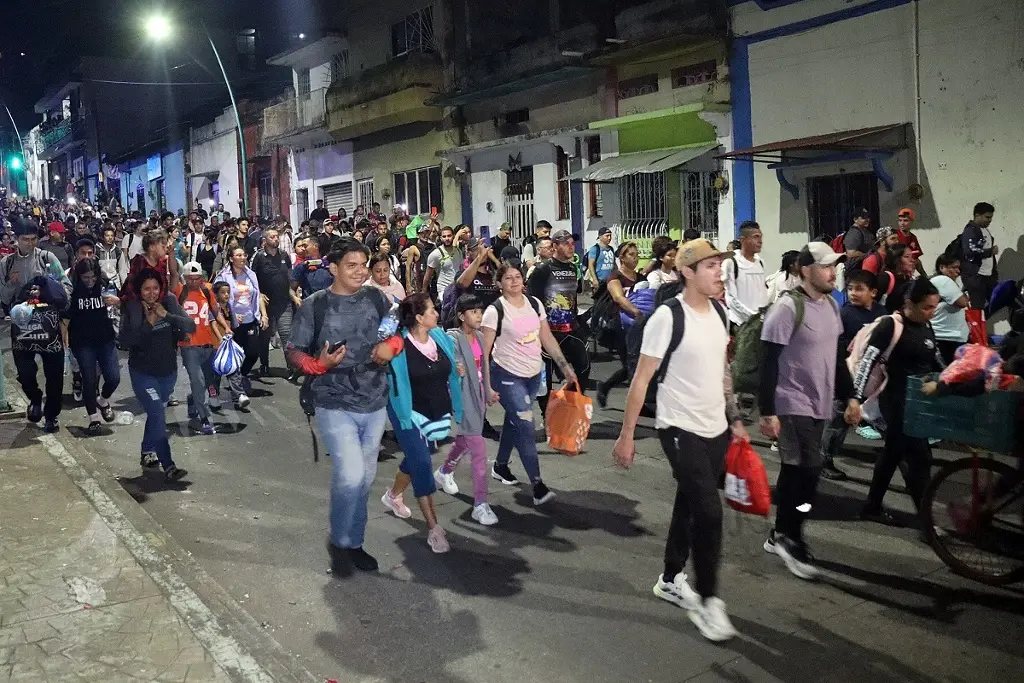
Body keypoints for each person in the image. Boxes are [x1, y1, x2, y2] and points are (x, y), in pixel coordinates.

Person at [611, 238, 746, 642]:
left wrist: (735, 419)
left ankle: (670, 578)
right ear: (688, 271)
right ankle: (708, 601)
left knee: (690, 503)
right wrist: (627, 434)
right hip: (678, 427)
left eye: (720, 265)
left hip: (715, 428)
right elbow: (641, 380)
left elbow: (723, 371)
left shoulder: (721, 313)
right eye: (711, 266)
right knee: (709, 511)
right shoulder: (668, 317)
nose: (719, 272)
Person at [286, 239, 403, 575]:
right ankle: (339, 542)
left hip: (375, 399)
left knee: (364, 479)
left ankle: (355, 542)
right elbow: (293, 351)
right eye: (352, 265)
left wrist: (390, 347)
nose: (361, 271)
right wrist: (318, 364)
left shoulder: (376, 298)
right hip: (332, 400)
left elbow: (397, 331)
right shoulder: (315, 305)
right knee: (351, 476)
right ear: (333, 268)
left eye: (363, 264)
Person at [759, 242, 853, 581]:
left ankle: (779, 532)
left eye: (834, 267)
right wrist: (767, 412)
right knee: (810, 471)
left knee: (795, 471)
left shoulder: (830, 305)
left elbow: (838, 356)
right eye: (826, 266)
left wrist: (851, 396)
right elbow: (768, 362)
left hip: (820, 403)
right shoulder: (786, 308)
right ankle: (790, 536)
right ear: (805, 270)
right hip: (791, 402)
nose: (833, 272)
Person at [852, 278, 944, 525]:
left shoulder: (926, 326)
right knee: (920, 457)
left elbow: (935, 360)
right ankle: (927, 523)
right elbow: (867, 363)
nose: (931, 313)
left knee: (893, 453)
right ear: (908, 304)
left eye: (934, 307)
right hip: (896, 401)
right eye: (926, 307)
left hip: (919, 403)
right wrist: (855, 400)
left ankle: (871, 506)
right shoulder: (889, 326)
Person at [484, 263, 576, 505]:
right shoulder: (495, 311)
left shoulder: (535, 304)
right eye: (508, 278)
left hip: (533, 374)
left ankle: (501, 466)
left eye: (517, 276)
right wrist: (485, 385)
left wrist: (564, 366)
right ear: (499, 283)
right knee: (525, 424)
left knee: (514, 420)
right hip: (506, 375)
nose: (514, 281)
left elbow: (546, 336)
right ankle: (537, 485)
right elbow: (483, 352)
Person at [379, 293, 460, 553]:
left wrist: (458, 370)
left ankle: (393, 496)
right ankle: (434, 529)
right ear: (419, 317)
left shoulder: (439, 337)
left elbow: (451, 363)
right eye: (432, 310)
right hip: (405, 410)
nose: (437, 313)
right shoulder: (398, 343)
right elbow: (378, 356)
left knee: (418, 457)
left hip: (433, 409)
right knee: (423, 463)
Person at [119, 268, 194, 481]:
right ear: (139, 291)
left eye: (155, 288)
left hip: (168, 373)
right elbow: (126, 341)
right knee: (158, 414)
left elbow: (191, 325)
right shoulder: (133, 308)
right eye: (146, 289)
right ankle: (169, 465)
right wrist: (148, 323)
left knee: (155, 415)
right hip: (143, 374)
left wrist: (166, 315)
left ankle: (146, 452)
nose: (152, 293)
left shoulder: (168, 302)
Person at [434, 294, 497, 525]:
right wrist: (453, 368)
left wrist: (488, 389)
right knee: (478, 449)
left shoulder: (480, 337)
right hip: (463, 397)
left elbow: (485, 366)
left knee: (465, 439)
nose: (479, 316)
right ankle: (480, 504)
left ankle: (444, 471)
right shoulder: (452, 338)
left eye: (480, 311)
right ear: (461, 316)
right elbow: (440, 359)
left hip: (478, 394)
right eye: (473, 312)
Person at [819, 270, 886, 481]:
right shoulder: (845, 314)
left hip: (873, 377)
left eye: (859, 289)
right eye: (850, 289)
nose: (853, 293)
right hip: (847, 375)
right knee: (838, 419)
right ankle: (824, 460)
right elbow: (836, 347)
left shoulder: (882, 314)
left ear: (873, 292)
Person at [527, 229, 589, 412]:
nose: (571, 247)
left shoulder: (572, 268)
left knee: (583, 368)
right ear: (554, 246)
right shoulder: (542, 269)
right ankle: (547, 414)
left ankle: (568, 408)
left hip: (571, 329)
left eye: (572, 243)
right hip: (549, 331)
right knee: (545, 378)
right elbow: (533, 302)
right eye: (566, 244)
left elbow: (573, 297)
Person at [65, 258, 120, 435]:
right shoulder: (72, 291)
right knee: (89, 379)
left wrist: (117, 301)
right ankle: (93, 418)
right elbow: (65, 318)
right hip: (82, 342)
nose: (89, 281)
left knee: (113, 378)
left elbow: (120, 304)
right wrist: (65, 340)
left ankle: (103, 401)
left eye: (92, 277)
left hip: (105, 339)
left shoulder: (105, 285)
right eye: (85, 277)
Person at [9, 274, 69, 432]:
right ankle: (35, 399)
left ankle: (51, 416)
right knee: (25, 373)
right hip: (23, 338)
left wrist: (64, 322)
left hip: (51, 340)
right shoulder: (9, 262)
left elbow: (66, 294)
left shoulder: (49, 259)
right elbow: (5, 295)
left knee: (55, 380)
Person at [597, 241, 644, 407]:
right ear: (622, 258)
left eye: (637, 254)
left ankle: (606, 387)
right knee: (630, 365)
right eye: (631, 255)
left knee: (635, 366)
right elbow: (618, 298)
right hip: (621, 325)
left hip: (638, 326)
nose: (636, 258)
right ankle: (609, 388)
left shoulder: (641, 278)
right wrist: (636, 311)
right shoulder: (615, 277)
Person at [176, 262, 218, 435]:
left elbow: (216, 312)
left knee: (207, 380)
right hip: (188, 345)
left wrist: (227, 330)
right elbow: (171, 273)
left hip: (207, 343)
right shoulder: (179, 291)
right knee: (198, 380)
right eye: (190, 279)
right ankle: (204, 418)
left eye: (197, 278)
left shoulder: (207, 291)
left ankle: (193, 399)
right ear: (184, 279)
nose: (194, 282)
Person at [215, 246, 265, 383]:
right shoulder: (223, 276)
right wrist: (230, 314)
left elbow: (258, 295)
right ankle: (236, 386)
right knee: (234, 354)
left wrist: (263, 315)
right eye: (238, 255)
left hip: (250, 319)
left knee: (253, 353)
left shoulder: (251, 275)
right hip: (233, 323)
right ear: (231, 258)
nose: (243, 258)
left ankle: (241, 375)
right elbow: (217, 299)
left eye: (244, 255)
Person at [250, 228, 293, 375]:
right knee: (265, 336)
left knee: (287, 335)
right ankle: (264, 364)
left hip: (284, 302)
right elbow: (252, 279)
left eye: (277, 236)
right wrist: (259, 294)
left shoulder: (285, 256)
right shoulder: (259, 257)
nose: (276, 239)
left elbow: (289, 276)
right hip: (265, 304)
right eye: (272, 237)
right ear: (265, 240)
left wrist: (293, 294)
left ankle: (291, 367)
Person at [1, 217, 63, 310]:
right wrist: (11, 284)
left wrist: (45, 292)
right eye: (25, 239)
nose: (30, 243)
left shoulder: (47, 258)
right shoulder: (6, 263)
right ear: (16, 238)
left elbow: (65, 285)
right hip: (19, 318)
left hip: (46, 317)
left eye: (33, 239)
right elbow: (4, 300)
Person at [722, 221, 767, 331]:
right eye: (756, 237)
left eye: (761, 237)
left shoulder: (760, 263)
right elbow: (731, 298)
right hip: (741, 324)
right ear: (743, 239)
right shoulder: (732, 263)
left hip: (760, 324)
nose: (760, 241)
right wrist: (751, 317)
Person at [930, 254, 969, 364]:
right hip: (947, 338)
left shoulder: (945, 282)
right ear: (942, 267)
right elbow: (963, 302)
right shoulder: (943, 280)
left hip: (950, 337)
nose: (958, 271)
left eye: (958, 268)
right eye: (954, 267)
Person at [958, 202, 997, 310]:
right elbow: (969, 250)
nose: (989, 220)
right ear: (977, 215)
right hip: (976, 277)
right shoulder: (971, 230)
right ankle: (976, 327)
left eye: (991, 217)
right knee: (977, 309)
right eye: (987, 217)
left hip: (988, 277)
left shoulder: (985, 230)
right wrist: (989, 252)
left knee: (997, 302)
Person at [423, 226, 463, 302]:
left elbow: (460, 269)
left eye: (449, 236)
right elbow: (428, 276)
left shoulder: (458, 251)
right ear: (441, 238)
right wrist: (424, 293)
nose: (447, 238)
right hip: (444, 289)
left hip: (457, 289)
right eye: (444, 236)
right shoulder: (436, 254)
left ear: (453, 236)